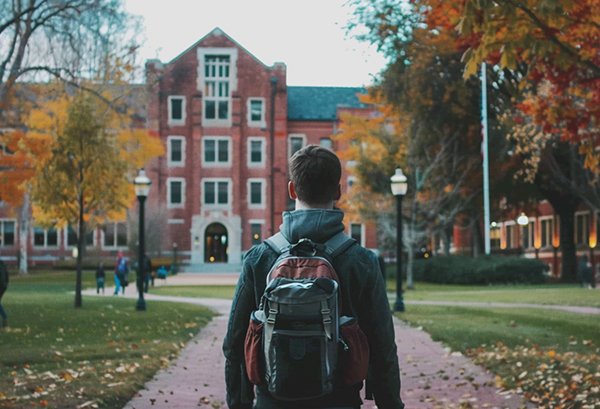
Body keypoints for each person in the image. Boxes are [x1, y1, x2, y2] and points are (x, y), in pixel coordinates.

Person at [223, 145, 404, 409]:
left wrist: (239, 402)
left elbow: (234, 342)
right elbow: (383, 346)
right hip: (339, 399)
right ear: (338, 192)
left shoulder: (260, 257)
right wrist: (390, 404)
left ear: (292, 190)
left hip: (271, 400)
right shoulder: (362, 261)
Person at [0, 258, 9, 328]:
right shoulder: (2, 264)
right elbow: (7, 275)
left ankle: (5, 316)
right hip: (4, 286)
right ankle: (5, 317)